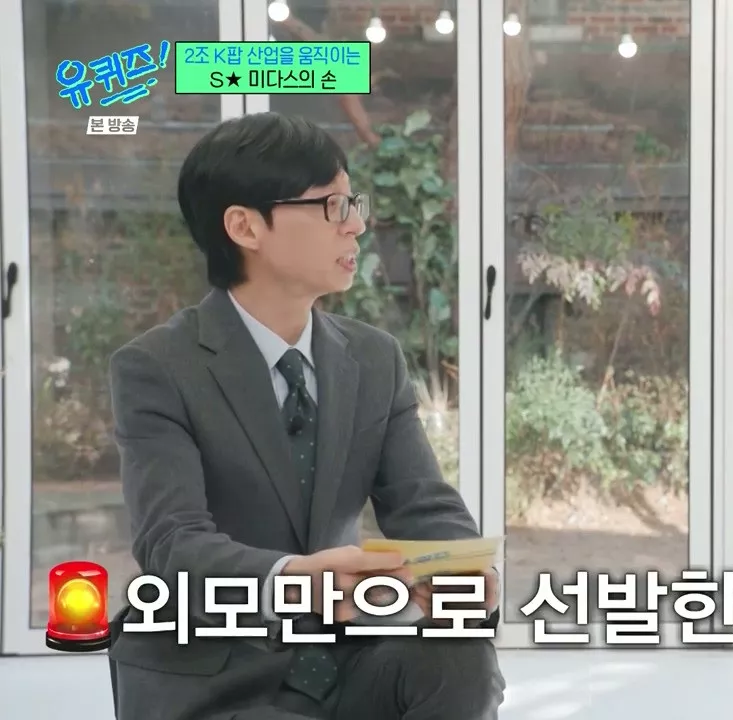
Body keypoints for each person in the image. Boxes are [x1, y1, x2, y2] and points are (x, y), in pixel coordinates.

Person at [106, 112, 504, 720]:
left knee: (460, 657)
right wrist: (295, 579)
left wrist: (460, 568)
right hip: (218, 671)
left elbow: (424, 503)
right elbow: (172, 543)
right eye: (331, 206)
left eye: (354, 204)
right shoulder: (156, 366)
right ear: (245, 226)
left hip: (346, 660)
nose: (357, 225)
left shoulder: (373, 358)